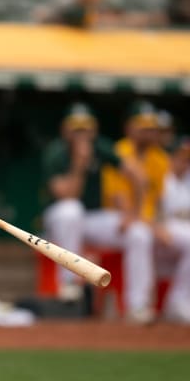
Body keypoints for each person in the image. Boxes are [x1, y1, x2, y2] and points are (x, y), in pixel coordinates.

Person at [41, 102, 153, 323]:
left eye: (86, 128)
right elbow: (67, 195)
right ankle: (70, 285)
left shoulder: (100, 147)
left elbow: (139, 177)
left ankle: (137, 306)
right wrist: (79, 165)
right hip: (58, 222)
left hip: (93, 219)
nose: (81, 134)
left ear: (94, 129)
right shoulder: (56, 152)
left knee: (139, 233)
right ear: (65, 129)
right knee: (71, 211)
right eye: (76, 128)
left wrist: (134, 214)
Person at [100, 100, 169, 322]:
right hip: (116, 220)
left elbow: (158, 203)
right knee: (139, 233)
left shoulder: (160, 158)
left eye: (151, 127)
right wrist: (150, 225)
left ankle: (179, 303)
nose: (149, 132)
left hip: (148, 222)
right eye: (143, 126)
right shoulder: (118, 152)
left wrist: (157, 225)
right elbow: (120, 201)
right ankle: (136, 306)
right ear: (130, 127)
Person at [155, 136, 190, 324]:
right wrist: (155, 226)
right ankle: (178, 302)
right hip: (160, 236)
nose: (185, 162)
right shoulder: (162, 177)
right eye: (182, 157)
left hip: (180, 236)